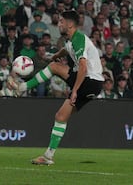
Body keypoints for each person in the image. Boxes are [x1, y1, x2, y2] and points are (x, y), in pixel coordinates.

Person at [9, 10, 104, 165]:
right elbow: (66, 50)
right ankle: (48, 156)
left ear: (70, 24)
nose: (59, 24)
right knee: (60, 117)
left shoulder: (79, 39)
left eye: (61, 21)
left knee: (54, 67)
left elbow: (83, 67)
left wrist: (74, 90)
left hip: (89, 80)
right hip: (92, 85)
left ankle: (22, 87)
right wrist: (54, 56)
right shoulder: (69, 40)